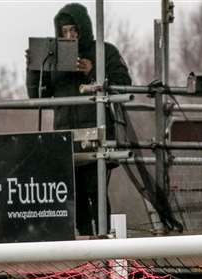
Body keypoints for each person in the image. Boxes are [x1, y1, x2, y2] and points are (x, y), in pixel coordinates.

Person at [25, 3, 131, 236]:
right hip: (66, 137)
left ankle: (104, 244)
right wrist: (34, 68)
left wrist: (92, 72)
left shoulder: (104, 52)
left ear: (84, 29)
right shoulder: (53, 57)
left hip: (96, 134)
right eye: (64, 32)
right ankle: (83, 248)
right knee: (75, 197)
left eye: (74, 30)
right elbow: (38, 96)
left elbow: (124, 84)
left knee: (96, 192)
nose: (70, 36)